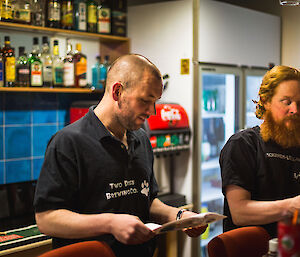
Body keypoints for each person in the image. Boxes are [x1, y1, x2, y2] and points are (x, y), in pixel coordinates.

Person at [34, 54, 207, 257]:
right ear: (117, 91)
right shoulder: (68, 142)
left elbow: (146, 200)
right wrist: (110, 223)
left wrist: (178, 215)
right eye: (145, 100)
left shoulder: (141, 139)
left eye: (155, 102)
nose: (152, 111)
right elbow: (46, 219)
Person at [220, 65, 300, 238]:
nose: (295, 110)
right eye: (286, 102)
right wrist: (292, 206)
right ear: (265, 101)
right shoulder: (243, 145)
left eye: (299, 103)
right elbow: (240, 212)